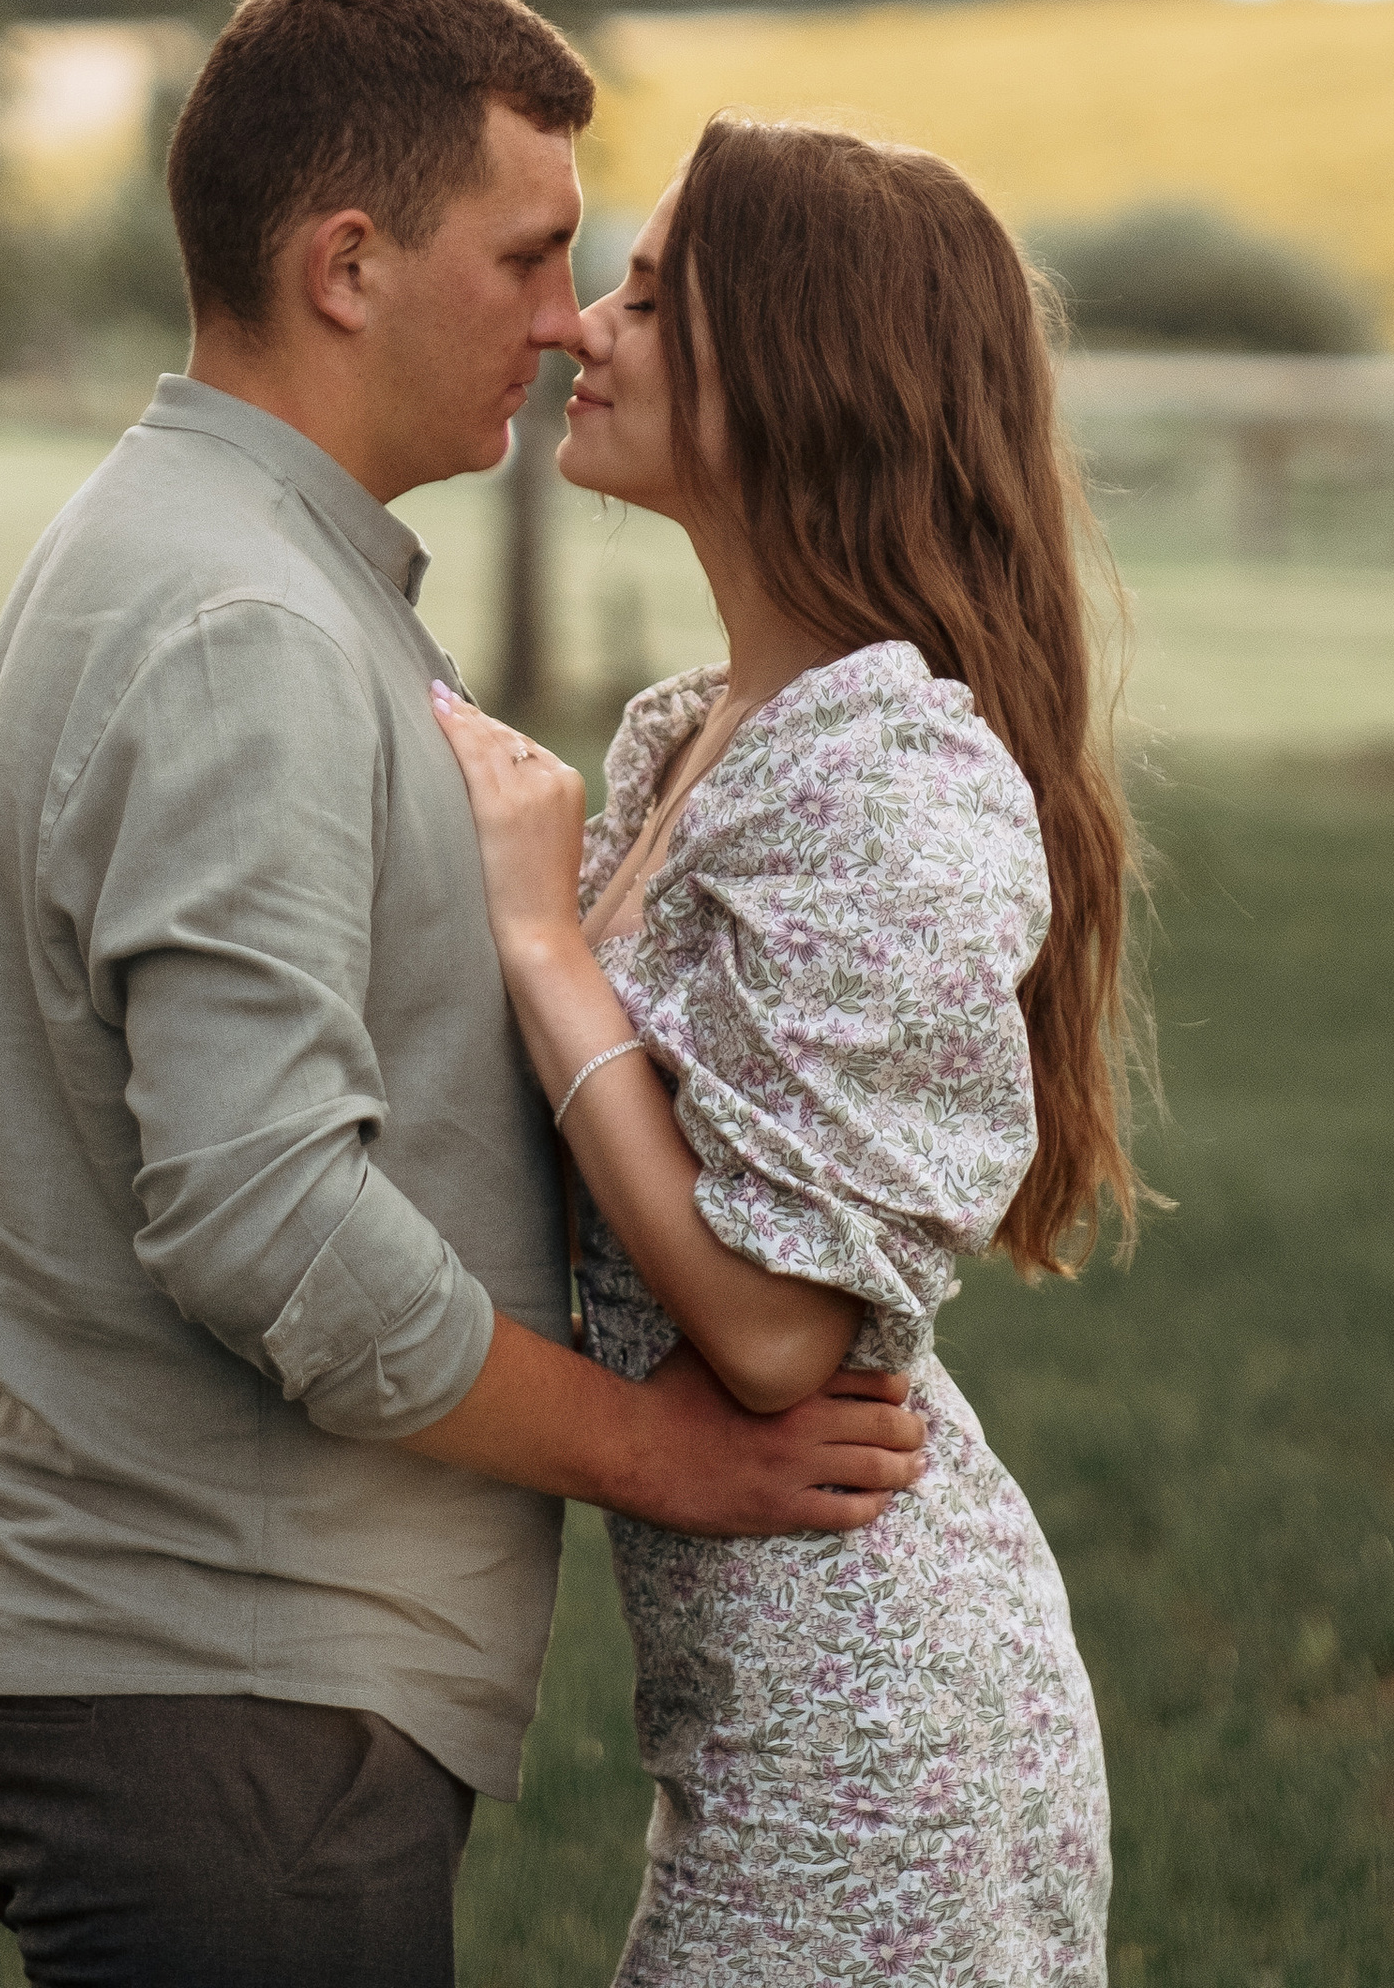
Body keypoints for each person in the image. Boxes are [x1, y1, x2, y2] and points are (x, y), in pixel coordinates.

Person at [0, 0, 927, 1988]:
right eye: (530, 257)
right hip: (223, 1694)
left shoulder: (221, 561)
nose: (566, 325)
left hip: (225, 1699)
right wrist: (671, 1454)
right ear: (348, 262)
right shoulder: (245, 628)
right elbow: (267, 1220)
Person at [433, 110, 1147, 1988]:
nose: (585, 327)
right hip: (764, 1700)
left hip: (876, 1733)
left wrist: (536, 940)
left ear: (805, 369)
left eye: (654, 297)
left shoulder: (890, 781)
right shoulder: (703, 744)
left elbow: (771, 1329)